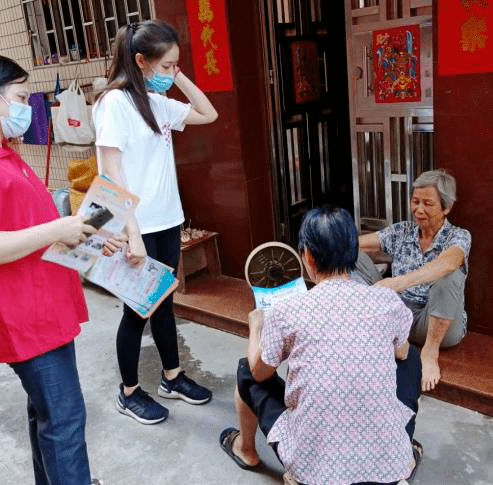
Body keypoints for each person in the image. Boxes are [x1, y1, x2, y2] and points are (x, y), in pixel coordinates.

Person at [0, 54, 102, 485]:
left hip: (41, 305)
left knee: (47, 417)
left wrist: (77, 231)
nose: (30, 107)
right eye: (22, 96)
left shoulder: (5, 154)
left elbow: (30, 225)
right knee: (65, 423)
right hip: (22, 316)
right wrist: (55, 230)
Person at [220, 206, 422, 485]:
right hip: (388, 468)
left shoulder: (288, 311)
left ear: (309, 257)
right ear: (355, 253)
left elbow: (260, 373)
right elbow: (401, 351)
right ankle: (405, 456)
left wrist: (256, 328)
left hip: (315, 471)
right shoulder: (386, 301)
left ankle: (245, 450)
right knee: (411, 359)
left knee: (246, 369)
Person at [92, 20, 218, 425]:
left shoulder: (158, 101)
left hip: (166, 220)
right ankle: (128, 393)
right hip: (135, 226)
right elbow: (112, 173)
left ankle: (172, 377)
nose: (171, 74)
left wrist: (176, 75)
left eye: (175, 67)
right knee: (136, 311)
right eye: (165, 67)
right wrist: (132, 235)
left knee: (164, 302)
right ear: (140, 61)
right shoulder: (114, 104)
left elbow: (208, 113)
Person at [357, 169, 471, 392]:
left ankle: (429, 352)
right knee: (348, 254)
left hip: (435, 323)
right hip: (397, 316)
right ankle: (357, 321)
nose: (419, 209)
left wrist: (397, 283)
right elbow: (357, 244)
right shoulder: (402, 231)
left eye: (428, 204)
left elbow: (448, 263)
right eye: (415, 201)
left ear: (446, 208)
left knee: (450, 274)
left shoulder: (459, 236)